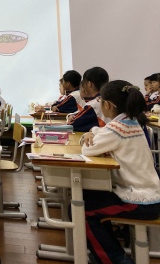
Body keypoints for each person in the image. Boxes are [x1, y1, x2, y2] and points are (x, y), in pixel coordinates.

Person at [80, 80, 160, 264]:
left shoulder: (118, 128)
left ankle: (115, 259)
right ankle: (108, 253)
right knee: (91, 198)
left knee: (82, 210)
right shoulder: (129, 122)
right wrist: (93, 132)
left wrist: (87, 135)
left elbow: (87, 149)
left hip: (140, 201)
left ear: (107, 105)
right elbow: (102, 132)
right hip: (149, 195)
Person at [67, 67, 109, 132]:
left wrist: (69, 119)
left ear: (89, 84)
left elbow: (73, 124)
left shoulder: (94, 104)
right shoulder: (110, 99)